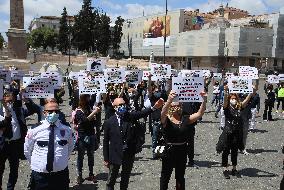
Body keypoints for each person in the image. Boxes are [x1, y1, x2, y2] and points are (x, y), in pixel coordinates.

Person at [103, 97, 164, 190]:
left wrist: (154, 107)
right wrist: (106, 158)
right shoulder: (109, 122)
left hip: (128, 153)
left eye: (124, 104)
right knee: (111, 179)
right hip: (115, 155)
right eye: (120, 105)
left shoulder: (129, 116)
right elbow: (105, 142)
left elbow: (142, 113)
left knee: (125, 178)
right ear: (114, 107)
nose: (123, 106)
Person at [160, 90, 207, 190]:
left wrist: (204, 99)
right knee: (165, 176)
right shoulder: (166, 119)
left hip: (182, 150)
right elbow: (162, 113)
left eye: (179, 105)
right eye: (174, 105)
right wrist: (169, 100)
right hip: (169, 150)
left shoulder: (185, 118)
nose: (177, 107)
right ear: (170, 107)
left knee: (180, 177)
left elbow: (200, 113)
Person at [24, 101, 73, 190]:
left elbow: (70, 147)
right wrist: (37, 164)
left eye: (56, 111)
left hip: (60, 174)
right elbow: (27, 150)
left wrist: (61, 161)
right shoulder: (35, 129)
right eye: (50, 111)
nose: (53, 114)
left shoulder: (67, 129)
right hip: (40, 175)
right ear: (44, 113)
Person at [0, 92, 37, 190]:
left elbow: (32, 110)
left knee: (14, 170)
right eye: (8, 101)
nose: (10, 103)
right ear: (3, 100)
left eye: (12, 101)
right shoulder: (0, 112)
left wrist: (26, 100)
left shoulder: (18, 110)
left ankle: (10, 188)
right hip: (2, 145)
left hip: (15, 145)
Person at [216, 85, 254, 179]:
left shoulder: (239, 107)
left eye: (235, 98)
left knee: (234, 151)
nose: (233, 100)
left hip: (237, 132)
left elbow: (246, 100)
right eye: (232, 99)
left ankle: (234, 168)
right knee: (225, 151)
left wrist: (251, 91)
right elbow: (225, 101)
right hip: (228, 132)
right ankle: (225, 169)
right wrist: (225, 91)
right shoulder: (227, 107)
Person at [74, 94, 101, 184]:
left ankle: (91, 174)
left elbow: (92, 121)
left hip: (91, 135)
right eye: (87, 97)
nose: (89, 98)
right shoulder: (78, 111)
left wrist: (94, 116)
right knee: (80, 156)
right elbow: (85, 120)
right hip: (82, 136)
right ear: (83, 99)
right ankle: (79, 175)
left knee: (91, 155)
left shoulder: (89, 108)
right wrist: (94, 113)